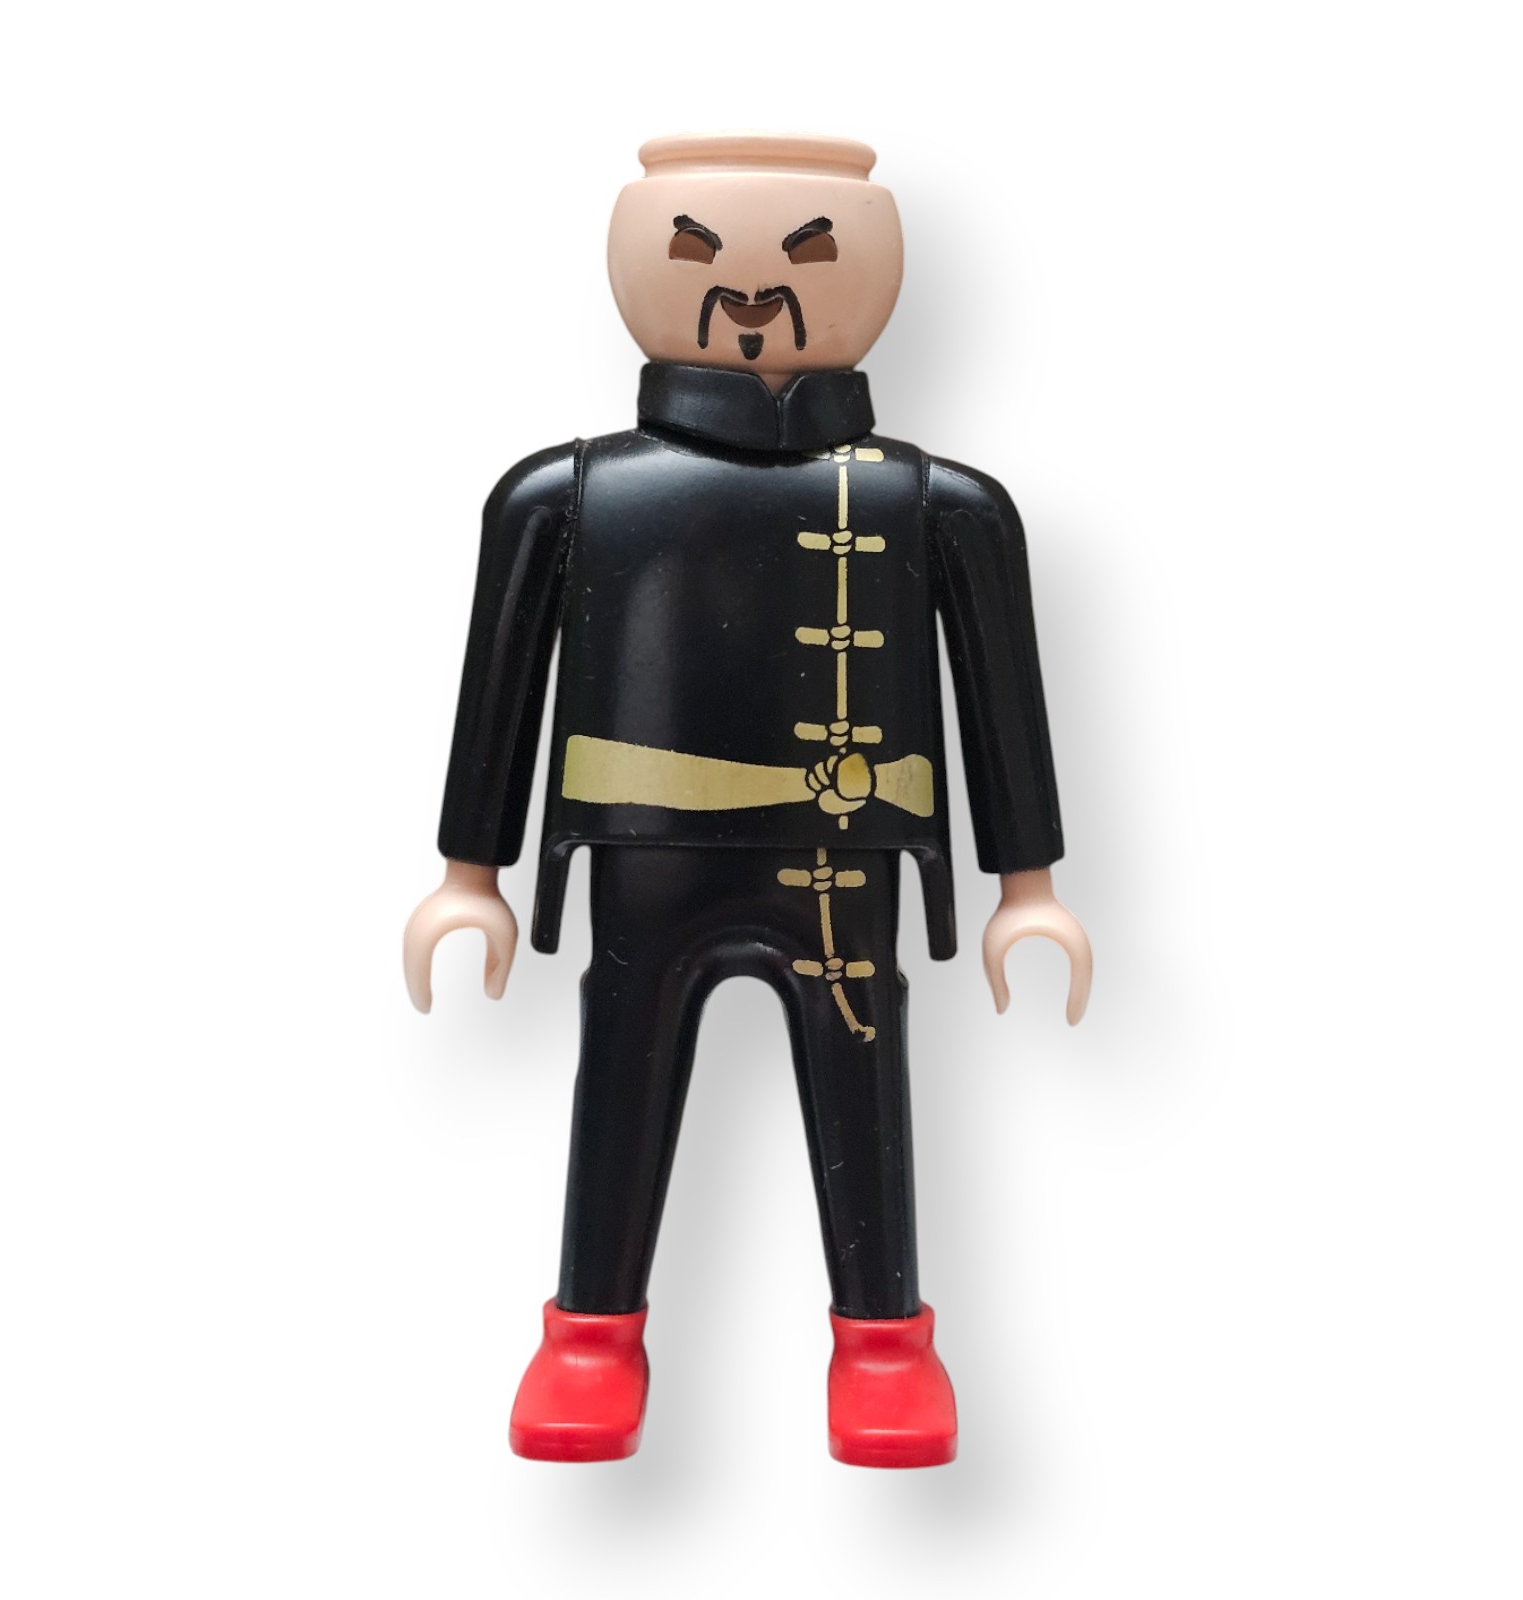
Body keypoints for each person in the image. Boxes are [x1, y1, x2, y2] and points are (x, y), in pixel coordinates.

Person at [404, 133, 1092, 1468]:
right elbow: (500, 685)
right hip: (643, 862)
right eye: (700, 255)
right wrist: (467, 873)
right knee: (622, 1069)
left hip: (845, 865)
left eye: (810, 258)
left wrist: (1031, 886)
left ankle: (885, 1342)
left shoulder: (939, 504)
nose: (756, 295)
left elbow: (1000, 690)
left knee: (862, 1079)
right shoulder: (566, 495)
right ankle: (589, 1334)